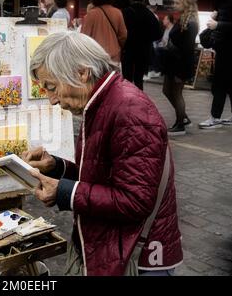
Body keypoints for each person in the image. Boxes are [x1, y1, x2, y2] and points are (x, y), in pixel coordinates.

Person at [23, 31, 183, 276]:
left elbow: (135, 200)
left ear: (82, 73)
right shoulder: (102, 102)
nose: (51, 100)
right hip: (113, 245)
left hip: (138, 256)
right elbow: (103, 173)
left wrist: (65, 192)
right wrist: (56, 167)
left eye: (52, 87)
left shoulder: (129, 111)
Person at [162, 0, 199, 136]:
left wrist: (180, 68)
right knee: (166, 90)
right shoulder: (182, 18)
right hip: (172, 62)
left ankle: (180, 124)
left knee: (177, 93)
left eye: (177, 3)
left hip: (180, 64)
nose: (174, 5)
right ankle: (183, 116)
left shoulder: (191, 22)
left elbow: (187, 49)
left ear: (186, 4)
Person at [199, 0, 232, 129]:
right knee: (227, 84)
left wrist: (218, 24)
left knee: (218, 84)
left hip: (228, 49)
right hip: (223, 47)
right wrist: (216, 15)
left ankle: (215, 117)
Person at [122, 0, 162, 90]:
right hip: (143, 51)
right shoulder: (149, 15)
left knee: (126, 79)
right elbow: (158, 34)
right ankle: (139, 103)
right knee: (139, 80)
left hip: (128, 50)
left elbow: (119, 32)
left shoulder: (125, 13)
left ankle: (127, 102)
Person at [82, 0, 127, 64]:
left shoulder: (90, 14)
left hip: (95, 56)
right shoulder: (117, 12)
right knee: (113, 76)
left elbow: (84, 37)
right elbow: (123, 35)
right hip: (114, 56)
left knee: (98, 76)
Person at [148, 14, 175, 78]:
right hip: (162, 46)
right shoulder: (166, 29)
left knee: (157, 50)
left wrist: (160, 45)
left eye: (164, 19)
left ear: (168, 20)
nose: (163, 21)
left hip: (168, 48)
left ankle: (157, 70)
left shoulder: (173, 30)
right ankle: (152, 69)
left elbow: (170, 43)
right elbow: (162, 40)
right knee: (151, 47)